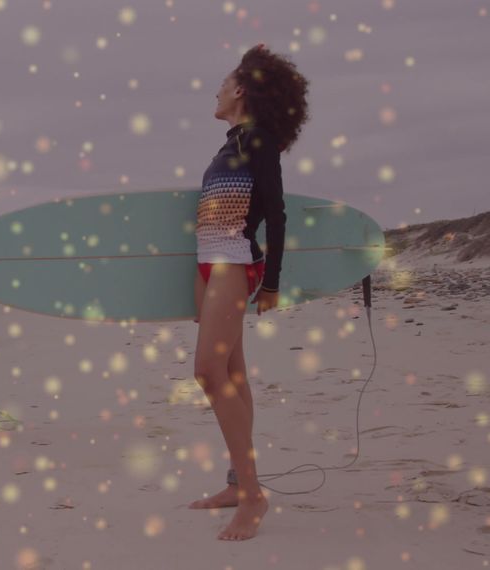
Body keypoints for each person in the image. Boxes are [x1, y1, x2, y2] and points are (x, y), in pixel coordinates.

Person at [188, 44, 309, 540]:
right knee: (232, 374)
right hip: (207, 263)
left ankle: (255, 495)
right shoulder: (227, 145)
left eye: (222, 83)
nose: (215, 91)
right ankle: (239, 484)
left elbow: (276, 215)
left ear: (240, 90)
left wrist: (273, 282)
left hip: (235, 262)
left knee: (208, 372)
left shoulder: (258, 142)